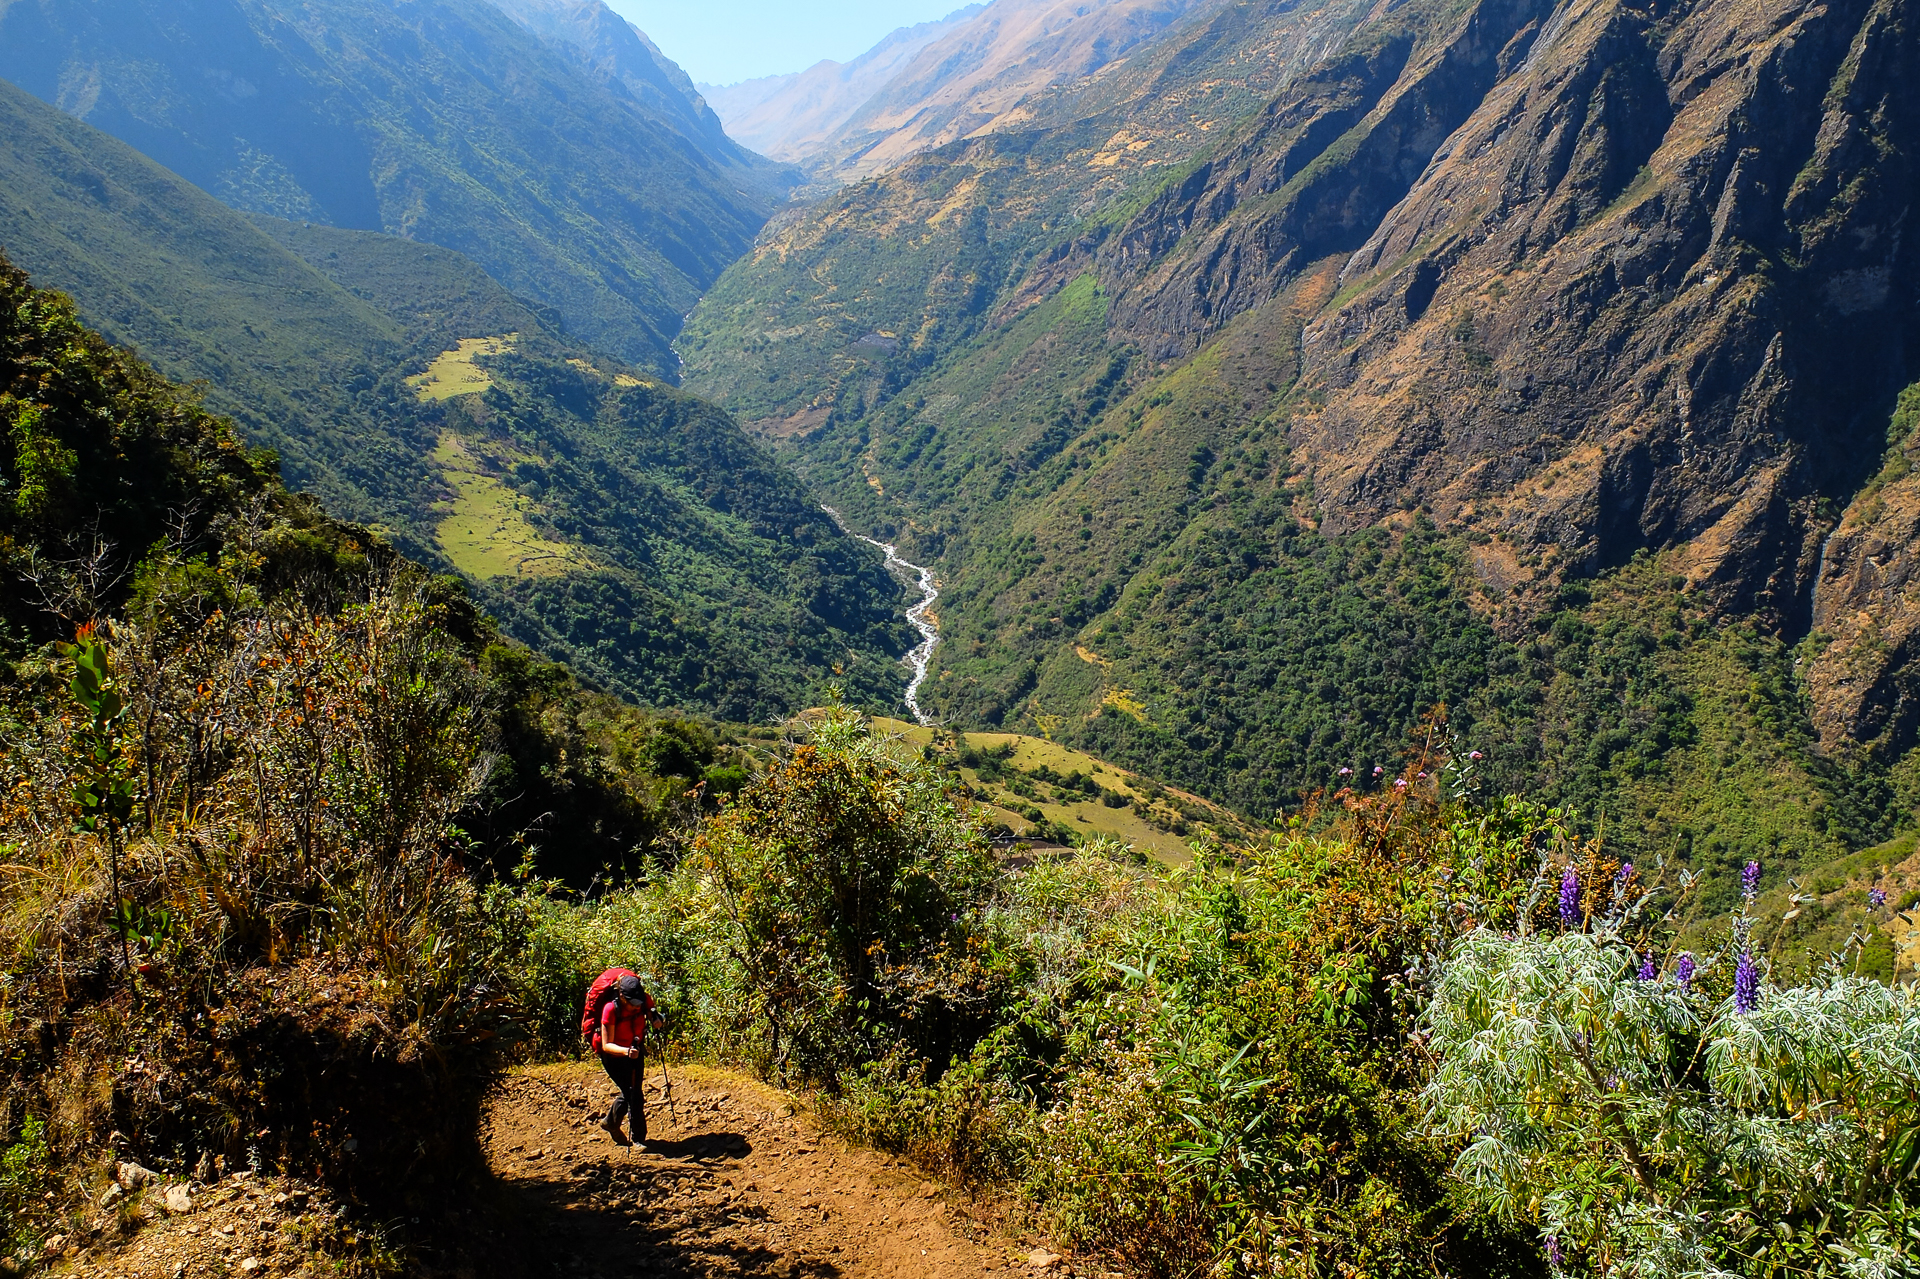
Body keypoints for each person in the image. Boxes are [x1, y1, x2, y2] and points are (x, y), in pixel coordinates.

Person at [597, 974, 664, 1146]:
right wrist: (626, 1052)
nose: (636, 1007)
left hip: (635, 1051)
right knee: (632, 1094)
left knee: (634, 1093)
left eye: (638, 1003)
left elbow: (652, 1014)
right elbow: (606, 1045)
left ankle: (616, 1125)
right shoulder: (610, 1009)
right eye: (632, 1004)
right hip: (614, 1058)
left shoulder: (642, 1000)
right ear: (621, 996)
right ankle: (637, 1138)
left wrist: (657, 1020)